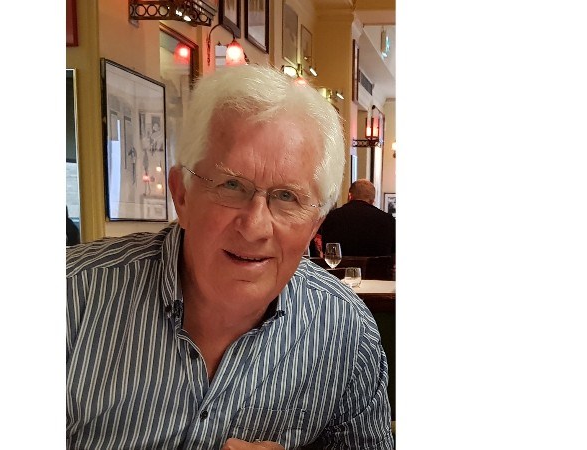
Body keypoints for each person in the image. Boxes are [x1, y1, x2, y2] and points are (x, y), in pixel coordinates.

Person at [66, 65, 394, 449]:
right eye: (232, 185)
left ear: (314, 225)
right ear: (181, 195)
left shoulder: (345, 330)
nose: (255, 227)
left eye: (287, 196)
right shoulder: (73, 299)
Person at [317, 179, 396, 257]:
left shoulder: (331, 217)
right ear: (373, 200)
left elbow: (326, 250)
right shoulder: (388, 221)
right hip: (377, 266)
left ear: (350, 196)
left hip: (339, 265)